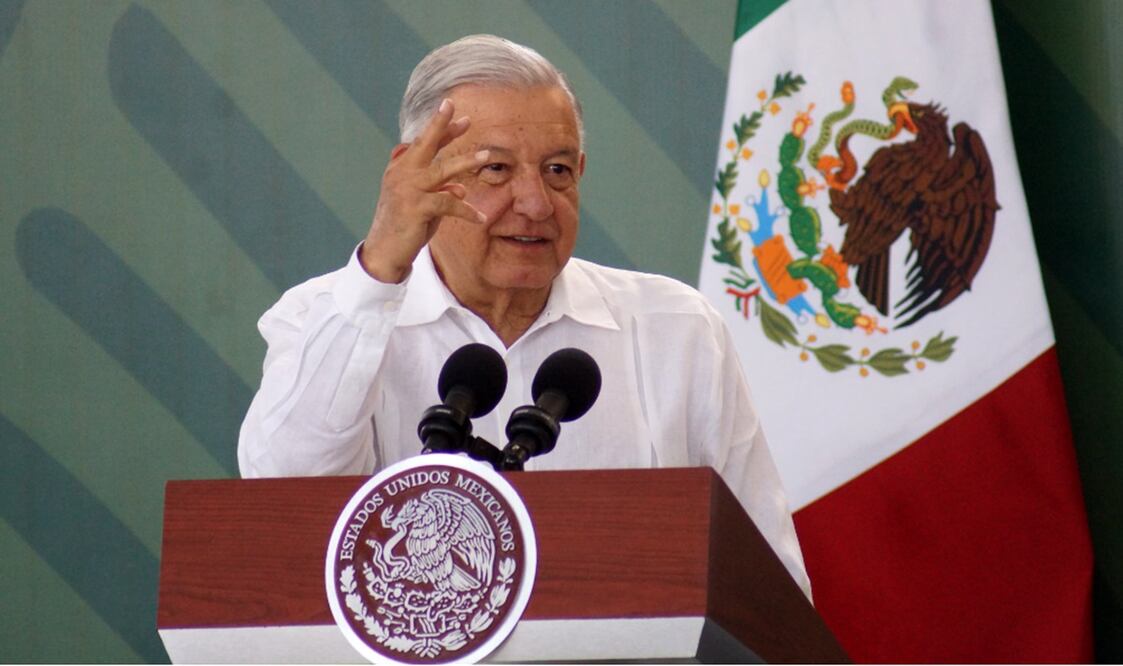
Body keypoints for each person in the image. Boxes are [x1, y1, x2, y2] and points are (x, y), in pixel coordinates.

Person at [238, 35, 811, 599]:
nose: (536, 203)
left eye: (558, 170)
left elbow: (770, 590)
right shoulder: (322, 318)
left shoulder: (678, 330)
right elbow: (284, 511)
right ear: (413, 176)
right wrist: (381, 268)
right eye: (495, 170)